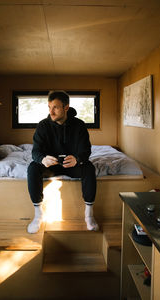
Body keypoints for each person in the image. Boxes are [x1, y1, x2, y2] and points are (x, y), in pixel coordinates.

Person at [27, 90, 99, 233]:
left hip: (72, 165)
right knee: (33, 168)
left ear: (66, 107)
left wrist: (78, 159)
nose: (51, 112)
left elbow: (86, 150)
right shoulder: (43, 125)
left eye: (55, 107)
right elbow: (35, 151)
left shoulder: (79, 125)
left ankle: (89, 215)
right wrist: (42, 159)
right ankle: (38, 215)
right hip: (51, 165)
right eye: (49, 107)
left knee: (89, 168)